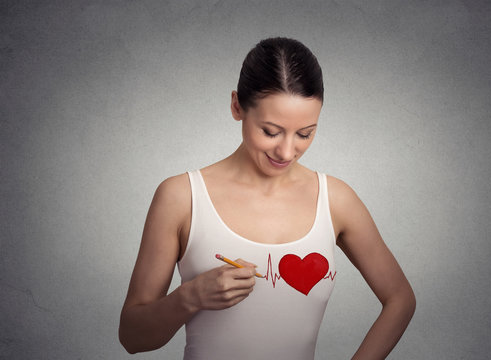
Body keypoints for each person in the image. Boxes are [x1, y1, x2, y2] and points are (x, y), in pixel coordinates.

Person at [119, 37, 415, 360]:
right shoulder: (181, 197)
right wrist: (190, 297)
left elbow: (400, 298)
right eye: (271, 131)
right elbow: (132, 337)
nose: (287, 151)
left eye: (305, 134)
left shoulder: (335, 200)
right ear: (236, 107)